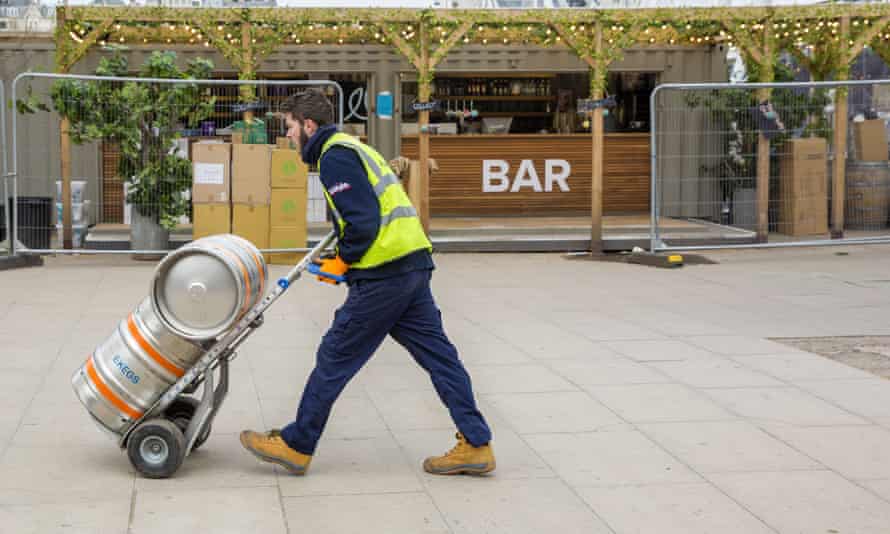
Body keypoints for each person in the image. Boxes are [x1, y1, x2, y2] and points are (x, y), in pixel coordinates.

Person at [240, 89, 495, 476]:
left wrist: (344, 260)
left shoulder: (335, 158)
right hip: (411, 265)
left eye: (290, 127)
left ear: (309, 125)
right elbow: (366, 215)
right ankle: (476, 444)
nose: (288, 135)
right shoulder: (352, 147)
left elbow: (362, 222)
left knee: (334, 356)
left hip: (385, 276)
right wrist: (344, 256)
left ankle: (297, 445)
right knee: (440, 358)